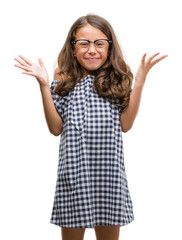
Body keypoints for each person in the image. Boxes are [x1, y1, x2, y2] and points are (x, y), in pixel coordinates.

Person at [14, 14, 167, 240]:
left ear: (109, 46)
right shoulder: (63, 76)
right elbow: (56, 129)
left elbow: (125, 125)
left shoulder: (117, 77)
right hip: (74, 175)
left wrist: (140, 82)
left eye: (99, 43)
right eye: (84, 43)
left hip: (109, 176)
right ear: (73, 47)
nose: (92, 50)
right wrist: (44, 86)